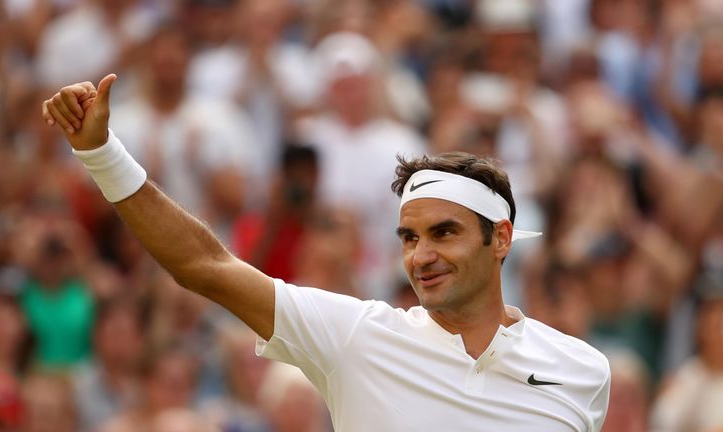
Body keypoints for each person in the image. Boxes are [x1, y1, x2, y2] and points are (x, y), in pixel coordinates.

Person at [41, 74, 610, 431]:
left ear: (502, 238)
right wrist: (102, 155)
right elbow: (204, 266)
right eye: (409, 238)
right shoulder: (356, 336)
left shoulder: (584, 372)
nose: (421, 256)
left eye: (444, 233)